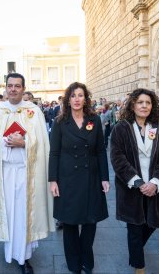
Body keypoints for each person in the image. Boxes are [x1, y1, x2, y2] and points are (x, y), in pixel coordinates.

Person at [0, 73, 55, 274]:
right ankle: (12, 251)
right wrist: (5, 141)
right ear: (5, 88)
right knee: (9, 214)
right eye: (10, 86)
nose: (13, 89)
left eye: (18, 86)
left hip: (28, 173)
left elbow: (43, 143)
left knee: (26, 214)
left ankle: (24, 257)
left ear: (23, 88)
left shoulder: (34, 111)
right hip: (5, 174)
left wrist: (24, 143)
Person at [110, 89, 159, 274]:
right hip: (131, 187)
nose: (144, 106)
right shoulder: (121, 128)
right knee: (135, 227)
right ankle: (139, 266)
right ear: (132, 105)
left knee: (153, 223)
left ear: (152, 105)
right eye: (140, 102)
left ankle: (136, 248)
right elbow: (117, 158)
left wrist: (156, 182)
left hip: (156, 186)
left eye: (148, 102)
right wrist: (137, 182)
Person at [49, 82, 110, 274]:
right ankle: (73, 260)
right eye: (73, 95)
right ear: (68, 99)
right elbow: (54, 153)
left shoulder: (94, 119)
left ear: (86, 99)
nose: (76, 99)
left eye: (80, 95)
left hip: (91, 176)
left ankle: (86, 255)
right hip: (67, 178)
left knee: (91, 221)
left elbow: (101, 150)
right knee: (70, 223)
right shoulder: (60, 122)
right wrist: (53, 180)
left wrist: (105, 177)